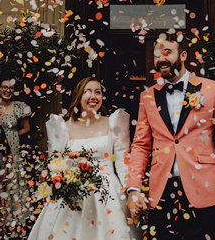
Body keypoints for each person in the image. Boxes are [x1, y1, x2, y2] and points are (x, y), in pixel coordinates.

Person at [127, 34, 215, 239]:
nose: (161, 58)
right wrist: (133, 188)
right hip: (161, 190)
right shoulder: (147, 96)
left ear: (182, 55)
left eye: (167, 52)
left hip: (203, 188)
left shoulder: (213, 89)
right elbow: (140, 146)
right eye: (157, 54)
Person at [28, 77, 137, 240]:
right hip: (73, 196)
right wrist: (63, 187)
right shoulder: (63, 126)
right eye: (88, 91)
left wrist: (131, 192)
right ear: (78, 96)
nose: (93, 96)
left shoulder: (114, 121)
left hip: (107, 193)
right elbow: (54, 164)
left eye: (98, 92)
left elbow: (123, 162)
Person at [0, 77, 42, 238]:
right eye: (4, 87)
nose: (7, 90)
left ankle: (16, 224)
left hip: (13, 151)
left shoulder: (20, 106)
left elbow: (26, 128)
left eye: (11, 88)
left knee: (14, 184)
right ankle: (1, 223)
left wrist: (12, 136)